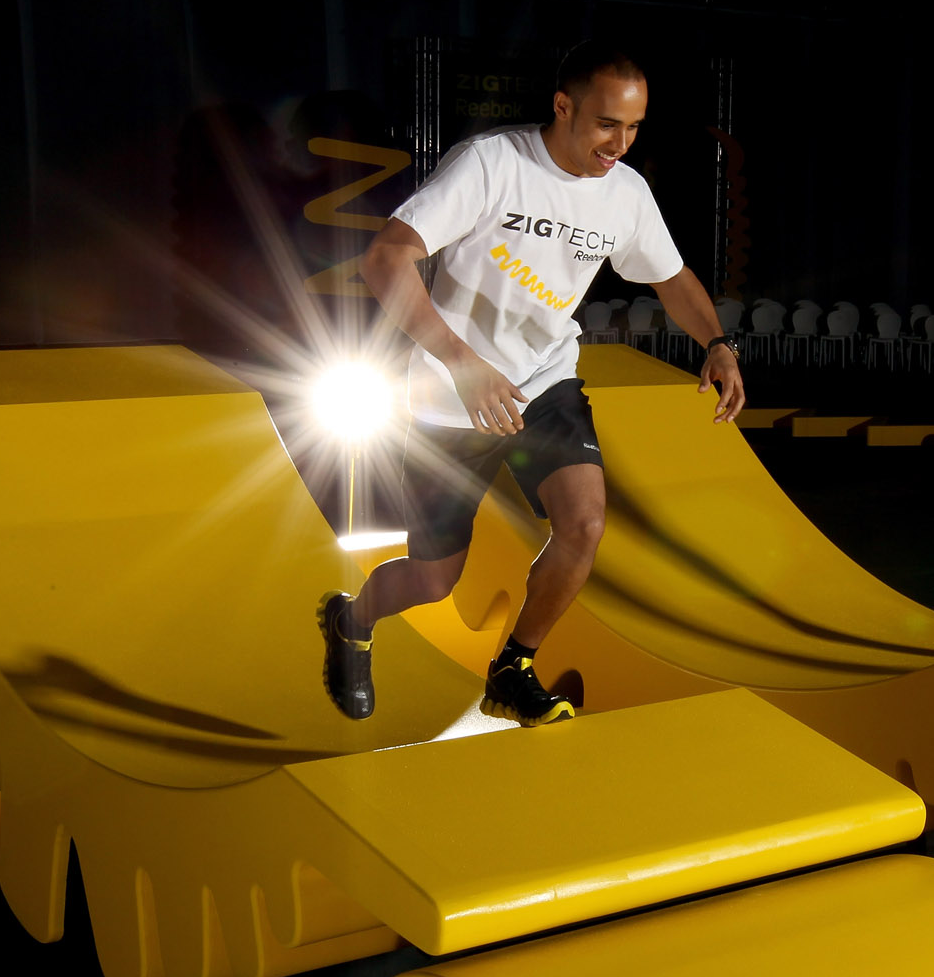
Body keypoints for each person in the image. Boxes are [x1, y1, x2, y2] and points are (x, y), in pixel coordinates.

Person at [318, 42, 746, 723]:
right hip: (448, 395)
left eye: (634, 128)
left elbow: (671, 278)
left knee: (585, 524)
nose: (620, 145)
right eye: (607, 124)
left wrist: (717, 343)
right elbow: (385, 259)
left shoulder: (626, 194)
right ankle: (351, 619)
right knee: (433, 579)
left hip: (543, 382)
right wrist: (462, 363)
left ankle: (513, 668)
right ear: (563, 106)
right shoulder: (493, 164)